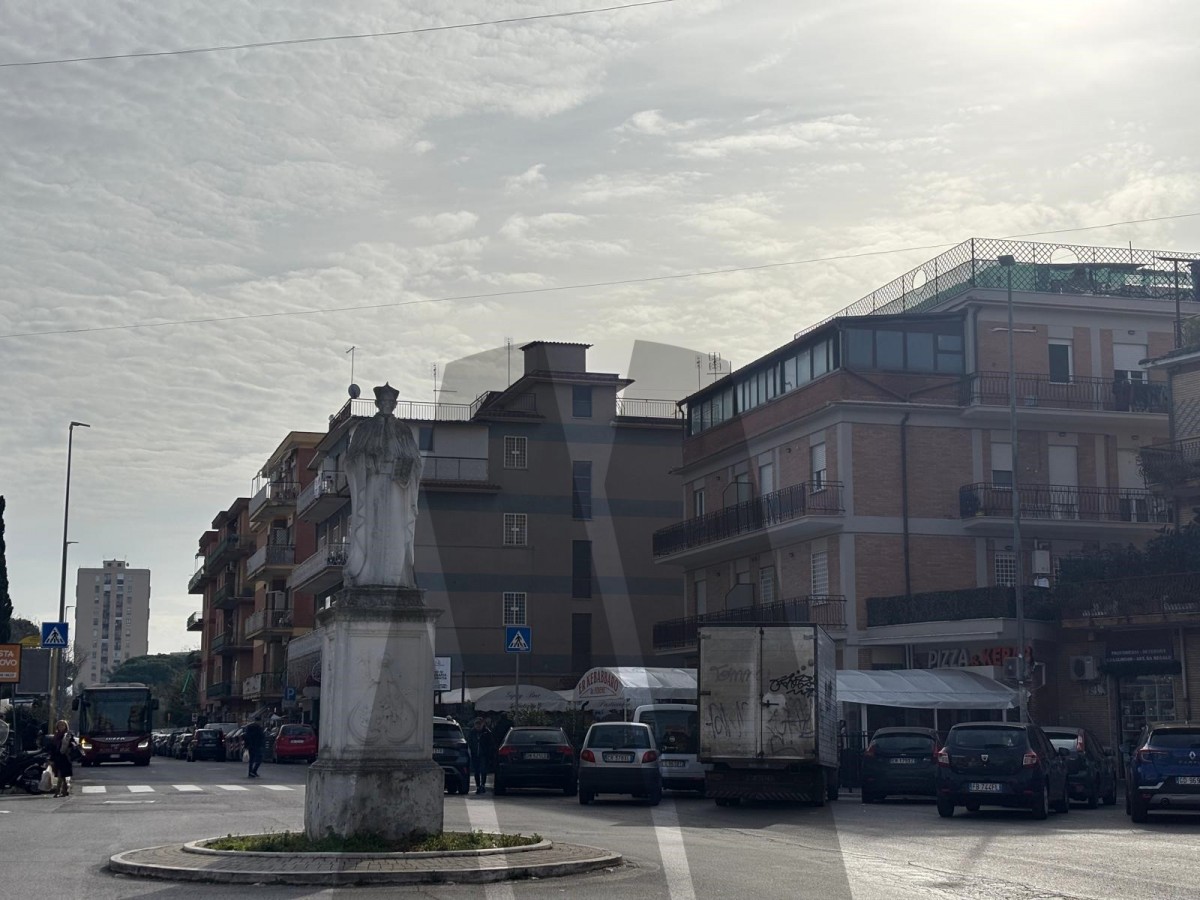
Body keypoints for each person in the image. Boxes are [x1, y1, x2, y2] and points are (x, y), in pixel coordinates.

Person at [343, 383, 424, 588]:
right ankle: (369, 576)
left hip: (398, 486)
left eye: (391, 402)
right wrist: (366, 461)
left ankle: (396, 578)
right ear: (377, 403)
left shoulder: (403, 430)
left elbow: (416, 460)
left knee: (396, 532)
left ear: (395, 404)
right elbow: (350, 459)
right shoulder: (365, 428)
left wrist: (407, 468)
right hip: (373, 483)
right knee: (372, 529)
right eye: (384, 401)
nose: (388, 404)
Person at [466, 717, 495, 794]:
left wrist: (488, 753)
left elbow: (491, 743)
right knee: (476, 771)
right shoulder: (472, 732)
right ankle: (478, 786)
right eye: (476, 724)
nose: (478, 726)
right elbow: (469, 741)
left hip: (484, 755)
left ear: (482, 724)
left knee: (483, 770)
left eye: (479, 724)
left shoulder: (487, 732)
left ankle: (483, 785)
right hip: (475, 754)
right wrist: (471, 750)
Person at [49, 719, 74, 797]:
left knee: (61, 775)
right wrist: (51, 758)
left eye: (63, 725)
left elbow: (72, 745)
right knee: (62, 775)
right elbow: (53, 747)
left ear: (66, 726)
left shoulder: (68, 735)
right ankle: (65, 790)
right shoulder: (56, 735)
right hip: (57, 757)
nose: (61, 727)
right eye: (59, 725)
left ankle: (57, 792)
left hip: (65, 757)